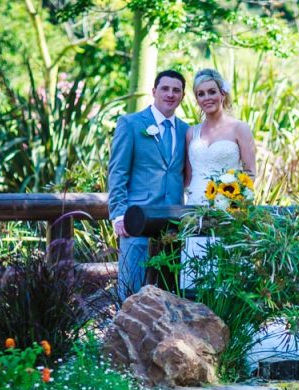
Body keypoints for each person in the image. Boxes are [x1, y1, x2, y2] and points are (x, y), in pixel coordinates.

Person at [108, 69, 189, 301]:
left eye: (176, 90)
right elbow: (118, 172)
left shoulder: (186, 131)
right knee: (130, 293)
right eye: (165, 88)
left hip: (173, 225)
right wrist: (118, 214)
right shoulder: (131, 123)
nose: (170, 94)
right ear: (154, 91)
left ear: (182, 96)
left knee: (169, 296)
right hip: (136, 220)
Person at [180, 68, 257, 290]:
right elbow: (188, 176)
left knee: (224, 277)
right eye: (201, 94)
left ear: (222, 93)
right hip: (194, 210)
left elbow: (250, 172)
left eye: (211, 91)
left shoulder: (239, 128)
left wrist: (234, 201)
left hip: (228, 209)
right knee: (195, 276)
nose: (207, 98)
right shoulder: (191, 133)